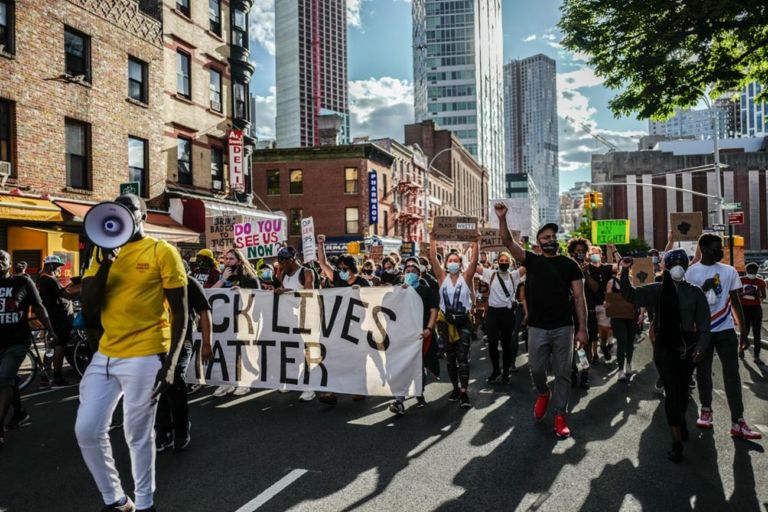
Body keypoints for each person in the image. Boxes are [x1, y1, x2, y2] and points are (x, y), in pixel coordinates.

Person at [76, 193, 188, 512]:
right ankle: (116, 499)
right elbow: (89, 304)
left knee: (136, 433)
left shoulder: (161, 251)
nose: (123, 214)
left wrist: (170, 365)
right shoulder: (101, 252)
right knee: (87, 428)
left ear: (143, 217)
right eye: (118, 209)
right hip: (108, 353)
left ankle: (145, 503)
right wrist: (106, 263)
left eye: (130, 209)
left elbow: (181, 313)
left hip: (146, 351)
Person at [495, 204, 588, 439]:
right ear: (538, 242)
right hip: (537, 327)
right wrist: (502, 218)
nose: (551, 239)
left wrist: (582, 329)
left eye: (553, 236)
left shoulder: (570, 265)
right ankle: (544, 393)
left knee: (563, 373)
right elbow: (507, 242)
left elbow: (579, 298)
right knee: (536, 369)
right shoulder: (532, 261)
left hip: (564, 328)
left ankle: (560, 415)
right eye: (546, 237)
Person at [619, 250, 710, 461]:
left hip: (688, 347)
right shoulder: (658, 290)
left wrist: (702, 346)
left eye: (681, 263)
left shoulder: (695, 293)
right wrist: (624, 271)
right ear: (665, 267)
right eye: (673, 263)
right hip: (664, 347)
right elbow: (630, 294)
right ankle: (676, 442)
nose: (677, 266)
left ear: (686, 267)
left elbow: (705, 325)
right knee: (672, 390)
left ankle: (680, 420)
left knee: (683, 391)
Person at [686, 234, 762, 440]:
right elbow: (687, 306)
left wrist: (743, 332)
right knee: (703, 372)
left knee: (732, 375)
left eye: (721, 248)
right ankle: (706, 410)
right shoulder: (691, 273)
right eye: (715, 248)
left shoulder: (728, 271)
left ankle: (738, 421)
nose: (720, 251)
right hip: (702, 332)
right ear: (702, 248)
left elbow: (736, 302)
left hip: (725, 331)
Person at [0, 250, 58, 448]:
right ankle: (19, 413)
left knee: (3, 378)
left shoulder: (23, 283)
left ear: (10, 264)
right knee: (7, 380)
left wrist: (49, 329)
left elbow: (39, 307)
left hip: (16, 341)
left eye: (3, 259)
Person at [155, 261, 212, 453]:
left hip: (182, 341)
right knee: (157, 384)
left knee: (174, 379)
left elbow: (204, 312)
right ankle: (162, 430)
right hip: (158, 342)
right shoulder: (153, 283)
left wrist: (206, 344)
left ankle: (180, 428)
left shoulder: (189, 283)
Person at [315, 234, 371, 405]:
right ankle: (332, 390)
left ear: (353, 268)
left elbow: (371, 302)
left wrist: (359, 292)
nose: (342, 272)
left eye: (345, 268)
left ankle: (358, 388)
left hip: (357, 327)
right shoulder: (337, 279)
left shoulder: (363, 282)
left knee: (356, 359)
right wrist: (321, 244)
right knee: (335, 357)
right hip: (338, 326)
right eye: (340, 268)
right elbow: (323, 263)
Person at [429, 232, 480, 408]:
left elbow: (474, 261)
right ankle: (455, 388)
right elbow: (432, 257)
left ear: (460, 263)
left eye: (455, 260)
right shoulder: (441, 277)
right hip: (445, 322)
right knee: (450, 359)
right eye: (449, 260)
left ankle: (464, 392)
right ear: (446, 263)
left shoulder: (466, 278)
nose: (452, 263)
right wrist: (432, 239)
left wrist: (475, 242)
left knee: (462, 357)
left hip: (463, 321)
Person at [389, 257, 439, 415]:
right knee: (402, 366)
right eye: (407, 271)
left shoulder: (426, 290)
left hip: (421, 334)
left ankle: (419, 392)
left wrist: (429, 329)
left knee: (419, 365)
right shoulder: (398, 290)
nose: (410, 273)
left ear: (419, 275)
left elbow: (434, 310)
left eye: (413, 272)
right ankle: (399, 400)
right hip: (403, 335)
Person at [211, 248, 259, 397]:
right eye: (226, 259)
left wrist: (242, 292)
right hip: (225, 322)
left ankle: (245, 383)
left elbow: (259, 298)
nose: (227, 261)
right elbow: (210, 293)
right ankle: (227, 383)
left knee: (243, 352)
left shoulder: (249, 277)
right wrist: (222, 279)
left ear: (239, 260)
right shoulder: (224, 274)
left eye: (231, 259)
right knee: (226, 353)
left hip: (243, 320)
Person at [476, 252, 525, 383]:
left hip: (508, 314)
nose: (503, 262)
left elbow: (528, 264)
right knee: (492, 343)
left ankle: (506, 372)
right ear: (497, 262)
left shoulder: (514, 275)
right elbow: (474, 266)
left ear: (510, 262)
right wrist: (475, 245)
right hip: (492, 313)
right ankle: (496, 370)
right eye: (501, 260)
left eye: (506, 260)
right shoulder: (490, 274)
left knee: (506, 344)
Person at [276, 246, 317, 402]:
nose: (281, 264)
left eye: (283, 261)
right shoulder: (283, 273)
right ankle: (292, 380)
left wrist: (286, 292)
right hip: (288, 319)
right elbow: (278, 289)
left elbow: (309, 294)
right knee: (292, 351)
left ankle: (310, 387)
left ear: (291, 260)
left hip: (305, 317)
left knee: (308, 352)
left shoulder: (306, 272)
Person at [36, 255, 78, 387]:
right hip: (60, 318)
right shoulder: (49, 280)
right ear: (50, 266)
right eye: (57, 267)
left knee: (51, 346)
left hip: (52, 317)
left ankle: (45, 376)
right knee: (60, 345)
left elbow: (61, 291)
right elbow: (66, 295)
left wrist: (71, 285)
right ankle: (57, 376)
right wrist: (83, 287)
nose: (58, 270)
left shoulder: (41, 279)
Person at [605, 256, 638, 381]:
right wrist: (607, 304)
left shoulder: (634, 280)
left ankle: (628, 365)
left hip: (631, 316)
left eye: (627, 264)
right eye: (622, 264)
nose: (625, 266)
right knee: (622, 341)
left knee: (630, 341)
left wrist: (641, 313)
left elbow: (638, 297)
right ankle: (620, 370)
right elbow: (607, 299)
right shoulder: (611, 282)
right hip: (618, 316)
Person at [739, 262, 765, 365]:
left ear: (757, 272)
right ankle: (741, 349)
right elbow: (737, 295)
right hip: (744, 308)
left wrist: (757, 294)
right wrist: (746, 293)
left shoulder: (760, 281)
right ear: (746, 271)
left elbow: (764, 296)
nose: (752, 273)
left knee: (757, 332)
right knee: (744, 331)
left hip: (756, 308)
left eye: (754, 272)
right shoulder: (741, 280)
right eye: (750, 271)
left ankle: (757, 357)